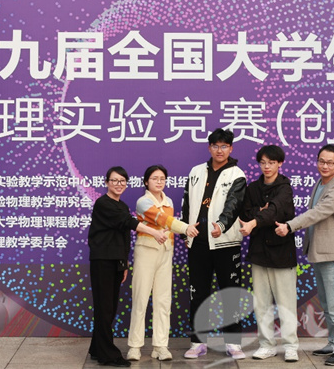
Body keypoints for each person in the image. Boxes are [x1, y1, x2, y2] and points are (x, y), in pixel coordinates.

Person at [275, 144, 334, 366]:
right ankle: (333, 343)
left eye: (330, 162)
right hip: (320, 251)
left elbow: (317, 213)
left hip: (333, 253)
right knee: (327, 302)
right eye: (321, 161)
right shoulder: (321, 182)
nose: (325, 166)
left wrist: (290, 226)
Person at [88, 166, 167, 368]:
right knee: (105, 308)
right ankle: (108, 355)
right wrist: (154, 233)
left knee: (109, 307)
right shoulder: (103, 203)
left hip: (115, 262)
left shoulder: (122, 205)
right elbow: (127, 222)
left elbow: (123, 238)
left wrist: (124, 264)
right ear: (107, 182)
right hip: (102, 261)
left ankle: (97, 348)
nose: (119, 184)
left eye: (122, 181)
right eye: (114, 180)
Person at [181, 128, 247, 360]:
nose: (220, 150)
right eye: (216, 146)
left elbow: (234, 205)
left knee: (230, 294)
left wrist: (221, 225)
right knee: (198, 294)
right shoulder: (196, 171)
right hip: (198, 243)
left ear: (231, 148)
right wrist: (185, 232)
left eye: (224, 146)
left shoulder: (237, 174)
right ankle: (198, 342)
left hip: (225, 243)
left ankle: (233, 343)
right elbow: (187, 204)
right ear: (209, 147)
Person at [126, 164, 199, 362]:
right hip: (146, 252)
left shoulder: (169, 201)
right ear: (146, 182)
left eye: (162, 179)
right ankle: (135, 346)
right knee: (140, 299)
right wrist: (186, 228)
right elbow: (162, 220)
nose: (159, 182)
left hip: (166, 253)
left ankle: (160, 346)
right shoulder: (143, 202)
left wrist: (184, 231)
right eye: (154, 178)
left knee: (163, 301)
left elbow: (169, 226)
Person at [238, 145, 299, 362]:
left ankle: (290, 345)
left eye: (271, 163)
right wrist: (260, 213)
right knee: (261, 302)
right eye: (263, 162)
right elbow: (245, 212)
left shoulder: (285, 188)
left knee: (286, 302)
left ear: (280, 163)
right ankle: (266, 344)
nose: (267, 167)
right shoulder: (253, 188)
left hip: (281, 253)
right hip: (258, 252)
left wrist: (258, 218)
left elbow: (275, 210)